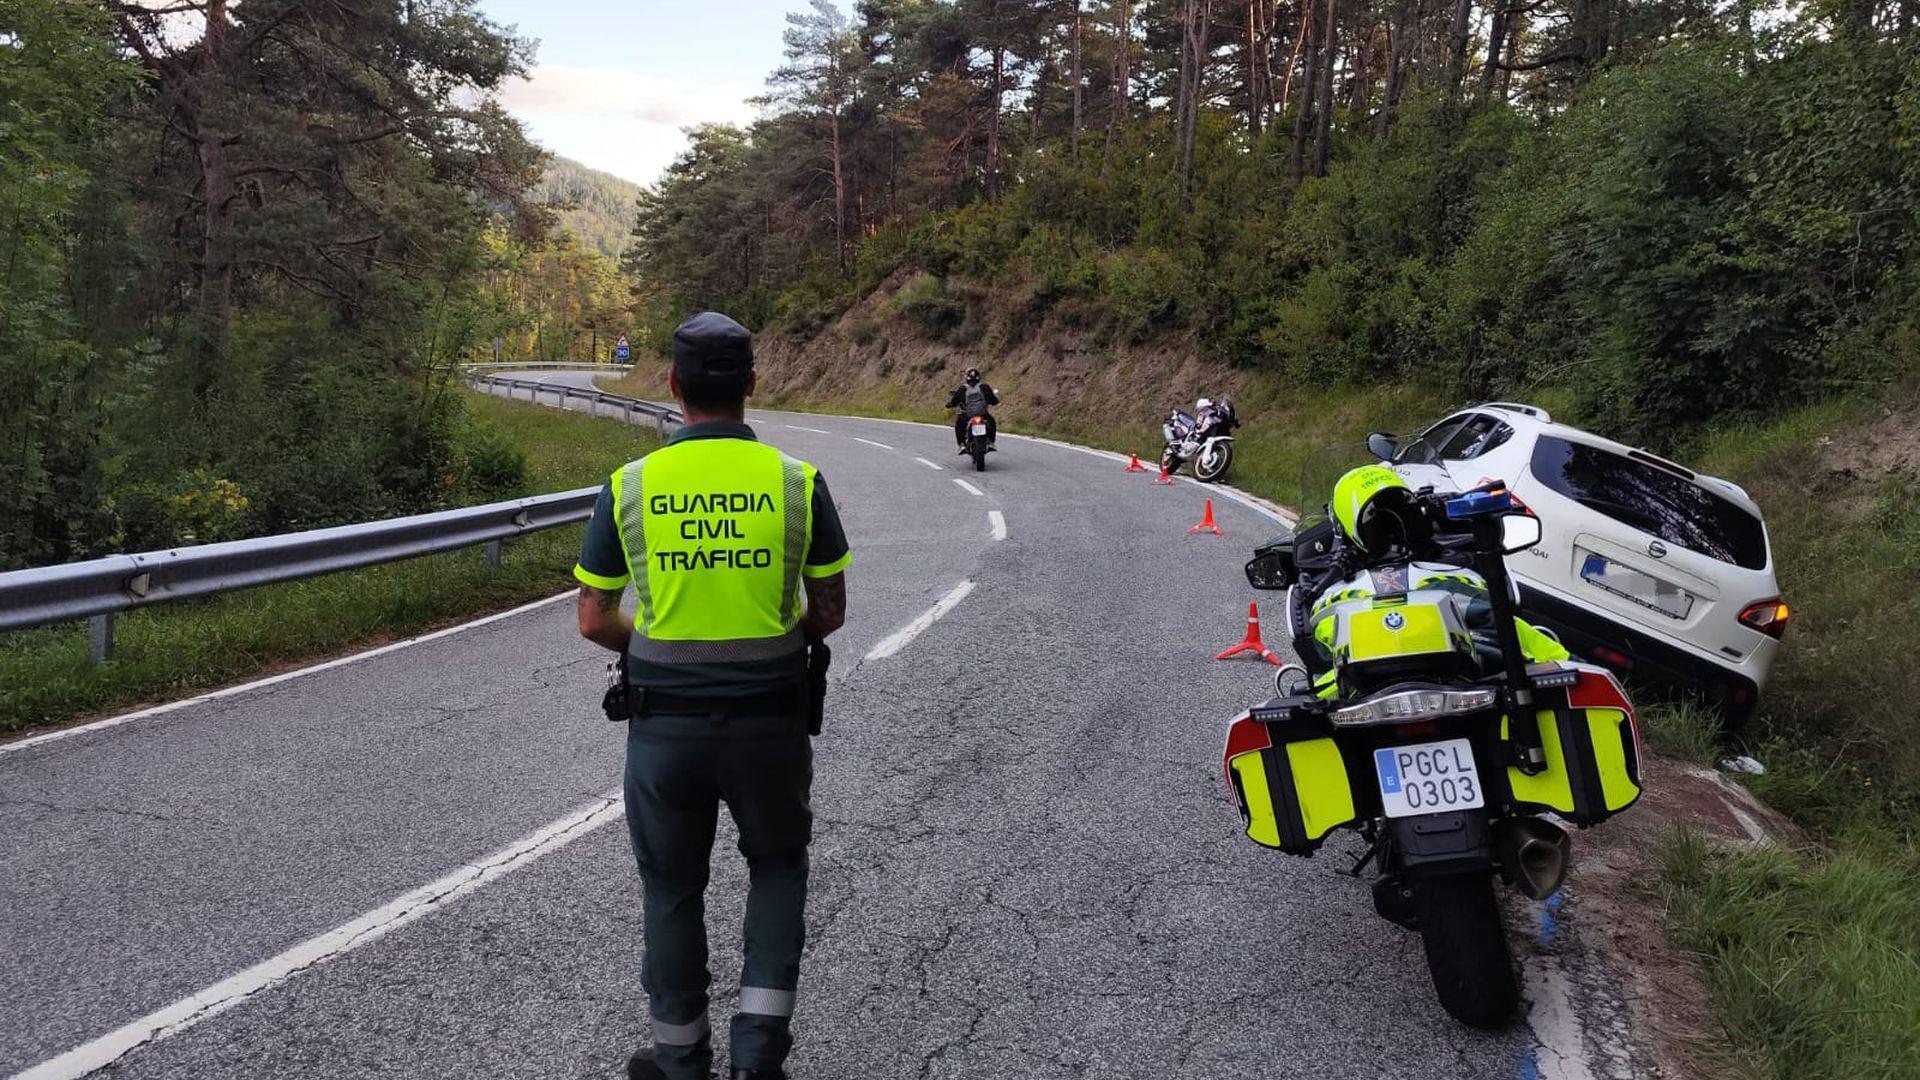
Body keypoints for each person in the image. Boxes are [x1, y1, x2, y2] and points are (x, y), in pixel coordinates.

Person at [573, 311, 852, 1080]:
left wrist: (667, 646)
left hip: (665, 727)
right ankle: (758, 1057)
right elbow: (828, 612)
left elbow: (593, 618)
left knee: (671, 886)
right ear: (753, 387)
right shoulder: (797, 481)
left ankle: (680, 1059)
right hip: (771, 717)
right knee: (778, 865)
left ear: (672, 385)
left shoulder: (630, 484)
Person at [945, 366, 999, 453]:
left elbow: (954, 401)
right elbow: (993, 400)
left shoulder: (963, 388)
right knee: (992, 422)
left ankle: (962, 445)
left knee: (959, 424)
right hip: (983, 414)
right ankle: (991, 442)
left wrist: (950, 404)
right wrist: (995, 401)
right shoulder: (984, 387)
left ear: (967, 377)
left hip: (967, 415)